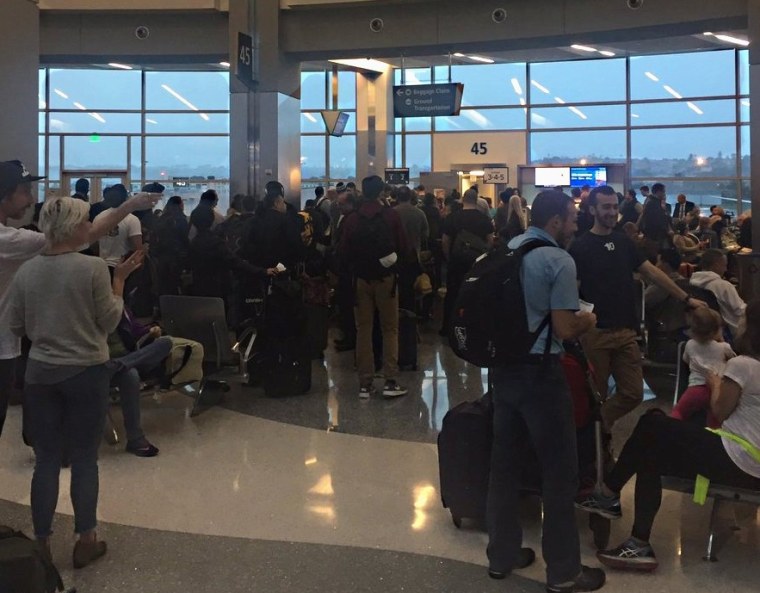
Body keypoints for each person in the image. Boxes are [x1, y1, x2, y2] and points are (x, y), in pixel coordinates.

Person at [5, 196, 145, 568]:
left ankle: (42, 544)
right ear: (74, 227)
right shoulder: (94, 268)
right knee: (85, 458)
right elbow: (110, 320)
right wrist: (120, 280)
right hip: (86, 370)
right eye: (86, 221)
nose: (90, 227)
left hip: (40, 373)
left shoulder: (28, 270)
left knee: (46, 460)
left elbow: (16, 325)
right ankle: (86, 538)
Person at [577, 300, 760, 571]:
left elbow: (720, 410)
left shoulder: (744, 365)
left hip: (739, 456)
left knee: (652, 423)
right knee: (653, 450)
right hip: (750, 461)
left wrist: (715, 383)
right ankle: (637, 542)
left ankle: (609, 493)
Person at [487, 190, 605, 593]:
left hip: (503, 374)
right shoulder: (558, 260)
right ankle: (565, 572)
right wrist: (589, 318)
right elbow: (565, 328)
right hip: (541, 376)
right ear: (555, 221)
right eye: (572, 218)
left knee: (503, 468)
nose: (576, 225)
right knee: (559, 474)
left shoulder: (508, 249)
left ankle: (501, 556)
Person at [0, 160, 159, 440]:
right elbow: (109, 318)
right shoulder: (14, 243)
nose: (30, 199)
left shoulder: (23, 251)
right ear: (5, 194)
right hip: (10, 352)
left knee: (46, 451)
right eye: (25, 190)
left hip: (28, 358)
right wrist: (129, 208)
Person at [569, 185, 706, 432]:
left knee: (633, 393)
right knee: (594, 394)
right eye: (606, 207)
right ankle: (595, 445)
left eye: (614, 206)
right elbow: (572, 293)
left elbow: (653, 273)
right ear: (592, 209)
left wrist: (686, 299)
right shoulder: (580, 247)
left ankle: (597, 425)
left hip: (626, 332)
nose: (612, 212)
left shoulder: (623, 242)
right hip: (595, 334)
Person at [338, 175, 408, 399]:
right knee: (390, 329)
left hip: (360, 280)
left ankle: (365, 384)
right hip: (386, 280)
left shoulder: (352, 219)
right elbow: (403, 247)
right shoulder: (391, 216)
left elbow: (343, 252)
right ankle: (390, 380)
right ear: (381, 193)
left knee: (363, 330)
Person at [187, 206, 276, 303]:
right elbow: (236, 262)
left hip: (199, 289)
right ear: (211, 220)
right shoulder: (216, 243)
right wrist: (263, 271)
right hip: (219, 290)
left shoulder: (193, 243)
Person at [440, 188, 494, 336]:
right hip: (476, 264)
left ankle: (448, 327)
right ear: (477, 200)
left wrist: (449, 257)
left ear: (463, 199)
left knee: (452, 294)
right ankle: (474, 327)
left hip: (456, 262)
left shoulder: (453, 217)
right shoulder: (483, 219)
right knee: (476, 294)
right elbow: (490, 241)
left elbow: (445, 241)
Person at [671, 308, 735, 428]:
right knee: (715, 419)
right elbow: (733, 361)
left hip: (695, 388)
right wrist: (721, 340)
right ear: (717, 330)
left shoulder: (689, 345)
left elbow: (685, 360)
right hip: (715, 391)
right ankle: (711, 437)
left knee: (679, 411)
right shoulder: (724, 347)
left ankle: (672, 430)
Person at [690, 249, 746, 339]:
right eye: (724, 265)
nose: (726, 269)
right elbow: (740, 310)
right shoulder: (723, 286)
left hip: (705, 329)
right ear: (716, 265)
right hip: (732, 331)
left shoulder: (693, 283)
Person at [93, 184, 144, 271]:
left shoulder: (99, 217)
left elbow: (94, 245)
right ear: (126, 199)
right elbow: (137, 249)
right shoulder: (131, 219)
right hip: (123, 267)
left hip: (102, 267)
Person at [151, 195, 189, 297]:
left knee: (163, 283)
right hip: (177, 256)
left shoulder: (161, 219)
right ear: (180, 205)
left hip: (162, 256)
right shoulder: (181, 219)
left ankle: (162, 306)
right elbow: (185, 238)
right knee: (176, 283)